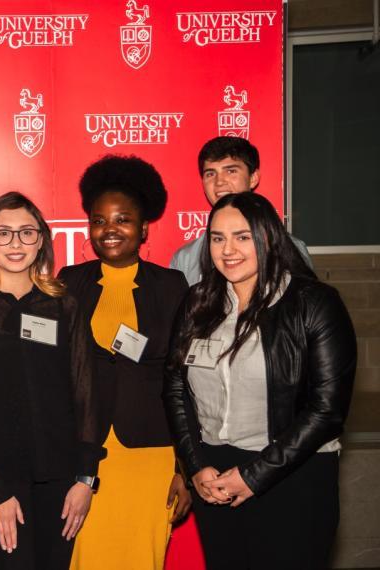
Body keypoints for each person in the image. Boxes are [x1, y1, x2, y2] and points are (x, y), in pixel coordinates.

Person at [163, 192, 356, 569]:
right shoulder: (196, 303)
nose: (228, 250)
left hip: (293, 473)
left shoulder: (313, 303)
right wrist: (195, 465)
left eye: (242, 236)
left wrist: (253, 476)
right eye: (217, 238)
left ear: (267, 238)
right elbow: (174, 388)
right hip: (214, 476)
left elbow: (327, 409)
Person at [0, 192, 101, 569]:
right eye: (4, 233)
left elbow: (86, 393)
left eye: (27, 232)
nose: (16, 244)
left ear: (42, 240)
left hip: (62, 480)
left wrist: (86, 478)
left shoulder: (64, 306)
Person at [59, 155, 191, 570]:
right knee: (84, 556)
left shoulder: (170, 286)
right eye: (99, 221)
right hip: (84, 452)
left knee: (142, 556)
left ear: (144, 227)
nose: (109, 230)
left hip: (150, 454)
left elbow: (185, 380)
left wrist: (185, 468)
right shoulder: (69, 280)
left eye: (122, 220)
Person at [170, 136, 312, 285]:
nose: (219, 182)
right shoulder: (185, 258)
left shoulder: (290, 248)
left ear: (253, 178)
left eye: (231, 171)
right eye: (210, 174)